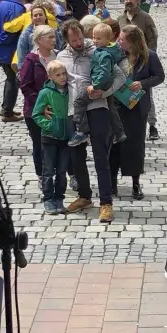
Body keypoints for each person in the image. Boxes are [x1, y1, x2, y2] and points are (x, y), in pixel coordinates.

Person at [57, 20, 119, 220]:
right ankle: (84, 196)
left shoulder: (97, 51)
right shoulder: (61, 56)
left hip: (97, 108)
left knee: (101, 156)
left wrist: (104, 91)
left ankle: (106, 202)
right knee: (76, 158)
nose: (77, 42)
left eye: (79, 38)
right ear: (66, 39)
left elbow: (120, 76)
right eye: (73, 39)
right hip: (73, 112)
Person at [112, 26, 163, 202]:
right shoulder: (116, 54)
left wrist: (142, 83)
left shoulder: (149, 56)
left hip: (137, 107)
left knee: (135, 145)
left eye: (122, 39)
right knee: (115, 144)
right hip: (117, 106)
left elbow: (159, 76)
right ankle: (112, 182)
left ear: (132, 41)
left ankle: (135, 182)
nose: (119, 42)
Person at [32, 59, 74, 215]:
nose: (62, 77)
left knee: (62, 171)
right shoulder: (46, 93)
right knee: (48, 170)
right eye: (58, 75)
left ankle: (59, 198)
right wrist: (51, 126)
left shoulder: (70, 90)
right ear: (50, 77)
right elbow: (36, 114)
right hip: (49, 138)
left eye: (64, 74)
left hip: (65, 138)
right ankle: (48, 198)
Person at [19, 25, 58, 183]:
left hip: (57, 109)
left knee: (57, 142)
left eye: (54, 37)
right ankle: (42, 175)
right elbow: (25, 86)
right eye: (50, 37)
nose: (54, 40)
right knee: (39, 143)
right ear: (39, 40)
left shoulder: (57, 56)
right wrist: (41, 106)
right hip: (36, 111)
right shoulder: (31, 60)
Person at [0, 0, 31, 122]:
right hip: (11, 49)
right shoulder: (18, 8)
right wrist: (0, 39)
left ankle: (7, 108)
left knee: (10, 78)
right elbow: (12, 31)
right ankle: (7, 111)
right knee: (13, 80)